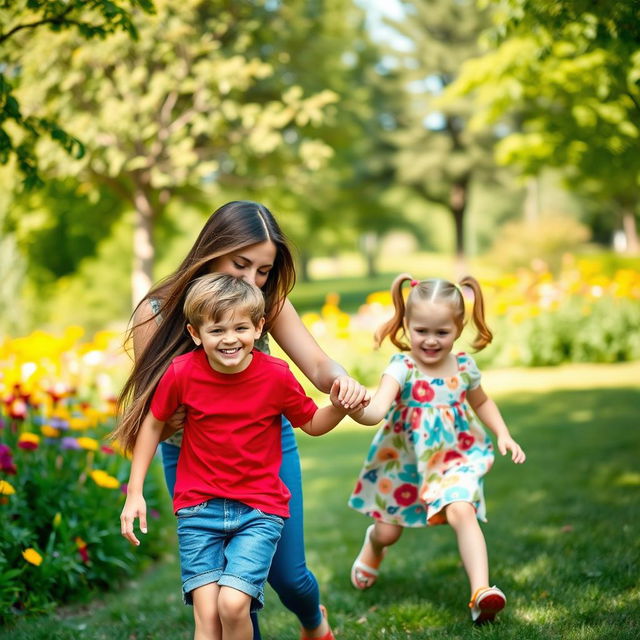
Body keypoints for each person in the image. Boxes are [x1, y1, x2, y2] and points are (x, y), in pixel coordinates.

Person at [117, 200, 368, 640]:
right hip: (192, 460)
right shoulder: (155, 312)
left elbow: (318, 366)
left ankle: (314, 621)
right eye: (241, 264)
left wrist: (343, 382)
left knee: (289, 576)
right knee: (225, 602)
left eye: (263, 271)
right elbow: (155, 413)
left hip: (264, 450)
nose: (252, 281)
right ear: (212, 251)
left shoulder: (263, 304)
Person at [347, 273, 526, 624]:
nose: (430, 340)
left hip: (456, 459)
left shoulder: (463, 367)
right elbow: (377, 409)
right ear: (407, 325)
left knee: (463, 510)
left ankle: (480, 593)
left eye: (441, 332)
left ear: (458, 328)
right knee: (388, 531)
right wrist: (355, 408)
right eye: (421, 331)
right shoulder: (403, 367)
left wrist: (503, 433)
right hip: (404, 462)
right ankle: (374, 544)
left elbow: (482, 401)